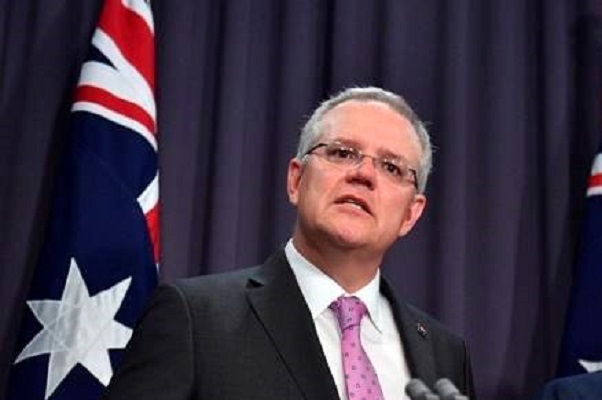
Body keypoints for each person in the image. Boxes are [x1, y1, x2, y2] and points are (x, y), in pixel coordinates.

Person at [103, 86, 476, 400]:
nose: (363, 174)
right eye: (342, 153)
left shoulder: (445, 354)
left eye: (391, 167)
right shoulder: (196, 320)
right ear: (296, 180)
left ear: (411, 214)